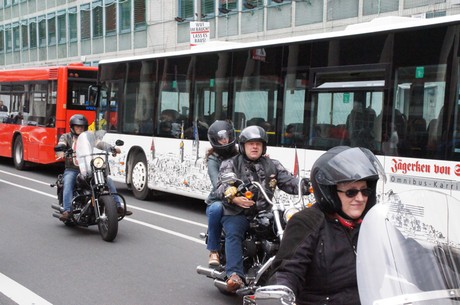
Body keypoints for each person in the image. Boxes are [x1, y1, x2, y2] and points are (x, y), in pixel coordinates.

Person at [268, 146, 385, 305]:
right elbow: (289, 270)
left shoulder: (373, 223)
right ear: (330, 192)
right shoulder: (307, 222)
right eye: (351, 192)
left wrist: (430, 255)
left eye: (365, 191)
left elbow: (407, 251)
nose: (360, 198)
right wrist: (281, 291)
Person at [215, 125, 308, 293]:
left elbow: (289, 182)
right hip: (238, 212)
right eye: (251, 143)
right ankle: (235, 274)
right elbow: (221, 185)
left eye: (258, 143)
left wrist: (306, 184)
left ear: (263, 146)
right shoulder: (231, 164)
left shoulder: (272, 165)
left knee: (293, 227)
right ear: (243, 146)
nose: (255, 147)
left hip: (265, 211)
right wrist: (234, 196)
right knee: (234, 231)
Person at [56, 114, 132, 221]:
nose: (79, 128)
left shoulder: (89, 137)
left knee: (108, 180)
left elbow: (100, 143)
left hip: (87, 167)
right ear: (72, 127)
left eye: (82, 127)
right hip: (73, 169)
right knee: (68, 182)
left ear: (85, 128)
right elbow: (61, 144)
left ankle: (118, 206)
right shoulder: (66, 137)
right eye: (77, 126)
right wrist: (61, 150)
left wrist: (112, 149)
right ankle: (67, 210)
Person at [204, 120, 238, 266]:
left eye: (226, 137)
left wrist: (264, 159)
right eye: (221, 138)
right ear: (214, 140)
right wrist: (227, 192)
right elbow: (216, 182)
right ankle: (213, 250)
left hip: (239, 195)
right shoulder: (213, 159)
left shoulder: (239, 153)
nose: (225, 141)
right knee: (217, 209)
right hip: (219, 198)